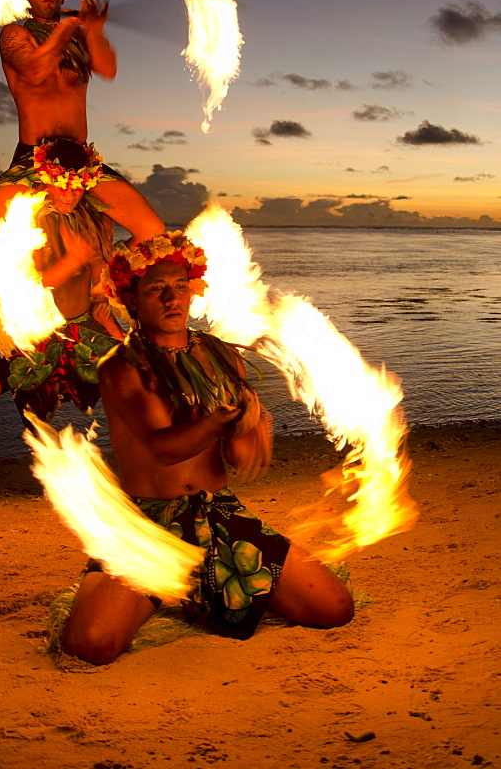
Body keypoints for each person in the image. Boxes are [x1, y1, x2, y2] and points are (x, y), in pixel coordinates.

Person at [62, 232, 354, 664]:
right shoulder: (122, 367)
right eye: (156, 289)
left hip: (219, 512)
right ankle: (129, 584)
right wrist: (219, 422)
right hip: (150, 522)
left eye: (180, 286)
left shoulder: (219, 354)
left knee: (335, 609)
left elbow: (237, 457)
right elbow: (164, 448)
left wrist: (252, 431)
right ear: (132, 300)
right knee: (91, 644)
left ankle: (193, 588)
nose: (171, 298)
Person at [0, 140, 124, 529]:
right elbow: (21, 287)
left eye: (77, 184)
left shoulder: (98, 221)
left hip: (82, 332)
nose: (69, 193)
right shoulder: (23, 219)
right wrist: (71, 261)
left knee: (146, 391)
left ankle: (162, 484)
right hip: (27, 334)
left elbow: (99, 285)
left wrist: (117, 328)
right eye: (61, 183)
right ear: (42, 179)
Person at [0, 0, 164, 270]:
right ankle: (7, 305)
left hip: (81, 159)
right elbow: (34, 71)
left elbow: (108, 69)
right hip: (33, 158)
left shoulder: (78, 37)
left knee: (153, 232)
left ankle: (104, 276)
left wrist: (94, 30)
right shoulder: (15, 35)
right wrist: (68, 26)